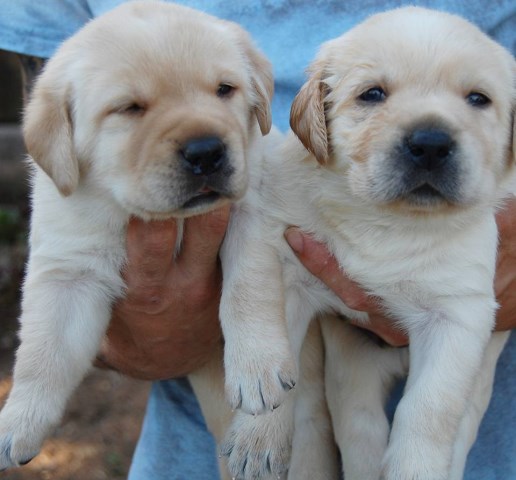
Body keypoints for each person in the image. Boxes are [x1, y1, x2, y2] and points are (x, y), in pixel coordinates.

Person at [0, 1, 514, 478]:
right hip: (202, 435)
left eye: (224, 91)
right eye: (132, 107)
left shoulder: (259, 155)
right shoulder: (70, 96)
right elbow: (52, 146)